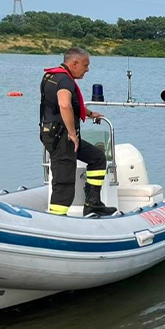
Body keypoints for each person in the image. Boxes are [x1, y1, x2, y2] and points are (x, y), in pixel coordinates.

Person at [40, 47, 116, 216]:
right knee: (64, 180)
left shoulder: (51, 77)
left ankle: (93, 203)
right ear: (74, 63)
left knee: (97, 157)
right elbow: (64, 104)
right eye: (85, 65)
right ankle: (57, 218)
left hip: (55, 134)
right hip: (63, 137)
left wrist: (89, 113)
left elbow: (65, 105)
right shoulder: (65, 81)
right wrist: (72, 133)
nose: (87, 69)